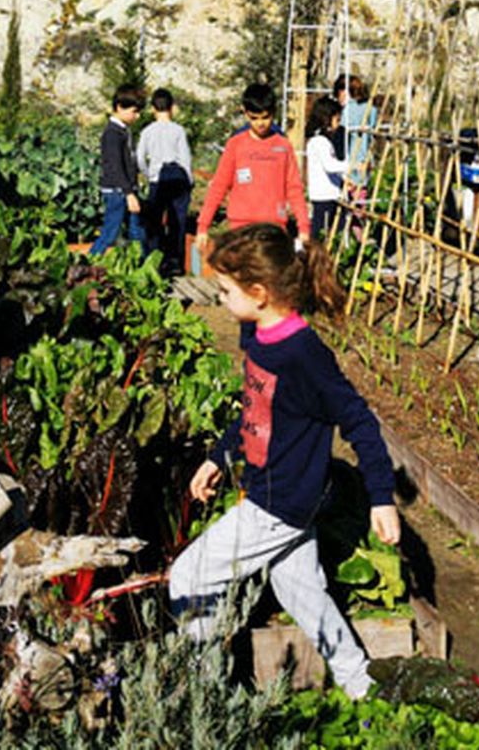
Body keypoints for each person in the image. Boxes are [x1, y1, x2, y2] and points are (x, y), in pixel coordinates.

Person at [168, 222, 399, 700]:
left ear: (259, 293)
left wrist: (381, 497)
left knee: (189, 576)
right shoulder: (260, 336)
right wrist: (219, 456)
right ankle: (361, 685)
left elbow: (359, 421)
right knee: (301, 592)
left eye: (225, 290)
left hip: (279, 502)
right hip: (278, 493)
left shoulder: (304, 355)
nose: (220, 298)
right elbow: (255, 410)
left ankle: (204, 696)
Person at [195, 83, 310, 256]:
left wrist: (304, 228)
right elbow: (219, 186)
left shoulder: (283, 147)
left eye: (265, 117)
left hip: (273, 229)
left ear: (273, 113)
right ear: (245, 113)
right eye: (254, 118)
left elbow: (294, 189)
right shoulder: (235, 145)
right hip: (240, 230)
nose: (260, 123)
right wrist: (203, 226)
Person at [136, 87, 193, 274]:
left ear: (153, 108)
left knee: (154, 221)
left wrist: (148, 174)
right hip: (178, 175)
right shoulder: (178, 130)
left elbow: (140, 158)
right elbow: (185, 158)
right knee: (178, 221)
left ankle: (156, 261)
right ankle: (175, 262)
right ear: (172, 107)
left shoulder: (147, 131)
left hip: (157, 178)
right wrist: (189, 180)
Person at [90, 85, 145, 256]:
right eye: (134, 111)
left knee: (137, 232)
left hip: (127, 189)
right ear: (120, 107)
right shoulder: (112, 134)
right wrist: (128, 193)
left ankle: (139, 265)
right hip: (117, 190)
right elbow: (115, 166)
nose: (137, 116)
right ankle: (90, 262)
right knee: (110, 232)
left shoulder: (123, 130)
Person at [305, 96, 348, 239]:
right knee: (321, 231)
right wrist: (351, 166)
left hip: (331, 194)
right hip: (323, 195)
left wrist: (343, 179)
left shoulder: (324, 141)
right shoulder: (319, 142)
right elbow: (330, 166)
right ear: (326, 119)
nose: (338, 124)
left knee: (335, 229)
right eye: (337, 120)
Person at [335, 74, 375, 192]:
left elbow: (341, 138)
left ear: (344, 92)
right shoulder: (371, 109)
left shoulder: (348, 111)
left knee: (349, 195)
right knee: (361, 195)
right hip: (365, 160)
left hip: (351, 161)